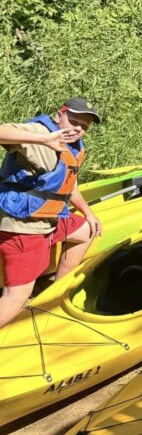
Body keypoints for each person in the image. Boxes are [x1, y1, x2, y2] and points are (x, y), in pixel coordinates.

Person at [0, 98, 103, 328]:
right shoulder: (39, 132)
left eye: (84, 127)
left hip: (49, 218)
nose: (78, 129)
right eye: (74, 121)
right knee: (16, 296)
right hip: (23, 225)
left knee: (86, 231)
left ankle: (54, 294)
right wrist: (44, 139)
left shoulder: (75, 147)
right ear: (59, 115)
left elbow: (68, 185)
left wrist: (88, 213)